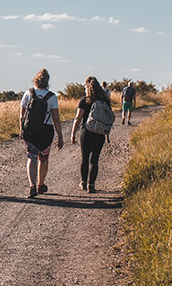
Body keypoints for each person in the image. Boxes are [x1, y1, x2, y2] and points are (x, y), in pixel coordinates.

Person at [20, 68, 63, 198]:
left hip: (30, 130)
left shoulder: (28, 93)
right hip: (45, 130)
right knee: (43, 158)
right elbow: (55, 118)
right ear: (47, 82)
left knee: (31, 156)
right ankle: (41, 184)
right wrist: (60, 136)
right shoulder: (52, 97)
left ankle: (32, 186)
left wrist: (21, 129)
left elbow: (22, 115)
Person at [71, 76, 113, 193]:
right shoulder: (104, 101)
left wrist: (73, 133)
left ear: (87, 88)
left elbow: (78, 118)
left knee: (85, 158)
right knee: (94, 159)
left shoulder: (84, 101)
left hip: (86, 132)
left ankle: (83, 182)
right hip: (100, 133)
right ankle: (92, 185)